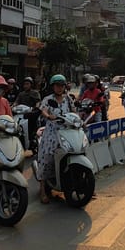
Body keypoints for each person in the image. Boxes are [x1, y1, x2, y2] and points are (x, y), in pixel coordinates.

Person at [37, 74, 75, 204]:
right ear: (53, 86)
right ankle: (42, 190)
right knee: (46, 159)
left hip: (66, 132)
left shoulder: (68, 99)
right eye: (57, 85)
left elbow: (74, 111)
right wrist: (49, 116)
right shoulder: (48, 99)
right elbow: (44, 110)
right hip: (52, 133)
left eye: (62, 85)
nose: (59, 88)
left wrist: (79, 119)